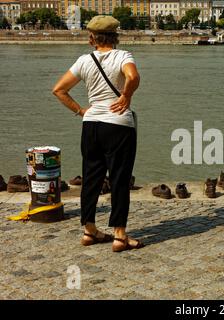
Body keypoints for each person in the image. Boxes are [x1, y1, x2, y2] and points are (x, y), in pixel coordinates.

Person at [52, 16, 144, 252]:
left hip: (91, 125)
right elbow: (133, 77)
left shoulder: (84, 60)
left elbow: (59, 90)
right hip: (118, 126)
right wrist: (126, 96)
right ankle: (119, 236)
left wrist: (81, 110)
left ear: (92, 38)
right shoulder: (123, 56)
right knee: (119, 180)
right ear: (116, 37)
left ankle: (89, 230)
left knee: (91, 178)